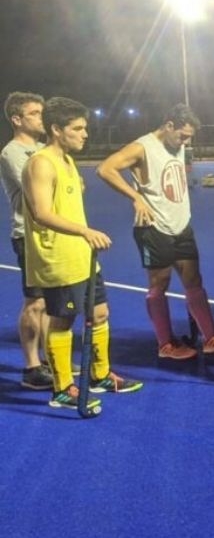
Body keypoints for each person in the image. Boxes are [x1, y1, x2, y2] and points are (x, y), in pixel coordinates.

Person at [22, 97, 144, 408]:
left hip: (81, 256)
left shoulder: (67, 160)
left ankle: (99, 376)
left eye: (84, 128)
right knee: (62, 322)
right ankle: (62, 389)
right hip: (58, 258)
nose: (84, 134)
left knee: (100, 313)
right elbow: (41, 213)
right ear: (56, 129)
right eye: (77, 128)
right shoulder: (41, 163)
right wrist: (84, 231)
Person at [96, 104, 214, 359]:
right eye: (183, 136)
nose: (185, 142)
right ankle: (165, 344)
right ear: (169, 125)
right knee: (159, 284)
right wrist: (135, 197)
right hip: (154, 228)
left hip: (181, 226)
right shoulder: (142, 147)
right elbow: (105, 169)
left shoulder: (177, 145)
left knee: (194, 281)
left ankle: (211, 338)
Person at [1, 92, 53, 390]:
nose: (41, 118)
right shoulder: (13, 152)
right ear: (17, 119)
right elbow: (38, 189)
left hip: (51, 234)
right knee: (35, 302)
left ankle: (49, 360)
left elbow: (74, 183)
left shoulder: (44, 149)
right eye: (35, 113)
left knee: (49, 303)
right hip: (28, 235)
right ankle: (31, 367)